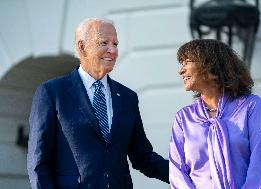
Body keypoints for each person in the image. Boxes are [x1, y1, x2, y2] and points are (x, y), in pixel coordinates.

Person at [27, 18, 168, 189]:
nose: (113, 50)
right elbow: (38, 162)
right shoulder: (52, 92)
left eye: (115, 44)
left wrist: (191, 175)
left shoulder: (128, 97)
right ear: (82, 46)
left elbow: (143, 157)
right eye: (104, 43)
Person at [169, 39, 261, 189]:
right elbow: (177, 173)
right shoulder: (183, 118)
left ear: (212, 67)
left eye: (188, 62)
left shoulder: (251, 106)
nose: (181, 70)